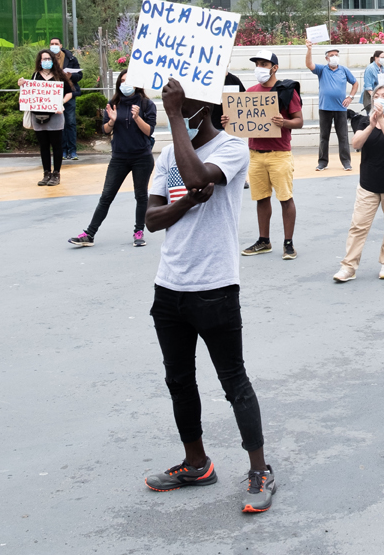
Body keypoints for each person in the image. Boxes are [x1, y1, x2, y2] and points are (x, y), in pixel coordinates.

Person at [142, 77, 274, 513]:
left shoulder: (232, 149)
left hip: (215, 287)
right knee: (179, 381)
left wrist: (174, 116)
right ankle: (196, 463)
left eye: (186, 103)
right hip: (170, 287)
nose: (179, 108)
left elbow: (198, 174)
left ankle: (259, 469)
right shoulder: (166, 156)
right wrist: (186, 203)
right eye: (176, 103)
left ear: (207, 106)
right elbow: (152, 219)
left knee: (233, 381)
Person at [334, 85, 384, 282]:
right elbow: (356, 143)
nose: (379, 99)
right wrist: (371, 124)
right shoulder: (363, 121)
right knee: (358, 225)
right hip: (368, 183)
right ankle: (348, 267)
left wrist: (382, 121)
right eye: (376, 96)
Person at [71, 69, 157, 248]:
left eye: (129, 81)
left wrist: (137, 117)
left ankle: (139, 232)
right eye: (122, 81)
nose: (126, 85)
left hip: (142, 157)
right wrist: (111, 120)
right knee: (106, 196)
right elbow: (105, 130)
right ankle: (89, 234)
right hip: (119, 157)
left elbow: (149, 131)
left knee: (141, 195)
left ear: (137, 84)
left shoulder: (146, 104)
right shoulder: (113, 104)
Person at [239, 52, 304, 259]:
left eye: (264, 64)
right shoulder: (250, 92)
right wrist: (229, 121)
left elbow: (299, 121)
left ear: (274, 67)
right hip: (255, 153)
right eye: (257, 64)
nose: (259, 67)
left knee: (285, 198)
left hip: (279, 153)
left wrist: (284, 122)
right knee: (261, 198)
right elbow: (241, 120)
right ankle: (264, 240)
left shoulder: (286, 91)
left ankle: (288, 243)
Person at [18, 48, 74, 186]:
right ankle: (46, 173)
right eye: (44, 59)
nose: (46, 61)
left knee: (56, 146)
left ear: (53, 60)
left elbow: (69, 93)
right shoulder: (35, 76)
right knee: (43, 146)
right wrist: (22, 84)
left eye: (49, 59)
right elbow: (29, 92)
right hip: (38, 116)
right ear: (40, 61)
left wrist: (60, 103)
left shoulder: (59, 76)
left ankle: (56, 174)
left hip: (55, 116)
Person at [305, 41, 356, 171]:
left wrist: (350, 97)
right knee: (324, 137)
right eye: (331, 55)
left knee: (343, 136)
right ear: (326, 58)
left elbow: (355, 83)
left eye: (336, 55)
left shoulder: (344, 70)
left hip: (340, 108)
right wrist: (309, 49)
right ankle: (322, 162)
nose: (334, 57)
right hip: (325, 108)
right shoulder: (322, 69)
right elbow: (309, 64)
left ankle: (346, 162)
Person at [49, 37, 84, 161]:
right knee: (59, 124)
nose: (54, 45)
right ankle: (62, 150)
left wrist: (71, 76)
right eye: (52, 44)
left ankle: (72, 150)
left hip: (69, 94)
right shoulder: (47, 59)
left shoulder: (70, 58)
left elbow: (79, 75)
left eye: (56, 43)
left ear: (61, 45)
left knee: (70, 122)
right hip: (53, 95)